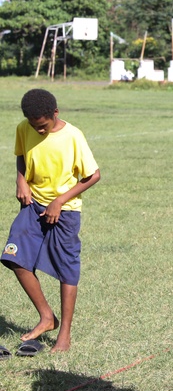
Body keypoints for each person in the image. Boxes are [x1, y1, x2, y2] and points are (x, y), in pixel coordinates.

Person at [1, 89, 100, 354]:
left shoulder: (73, 136)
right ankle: (47, 317)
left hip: (64, 211)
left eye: (42, 126)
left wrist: (59, 201)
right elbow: (21, 155)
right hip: (32, 206)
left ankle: (64, 333)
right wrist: (20, 180)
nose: (38, 130)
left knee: (67, 270)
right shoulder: (25, 127)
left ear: (55, 113)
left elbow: (93, 175)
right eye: (35, 126)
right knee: (13, 257)